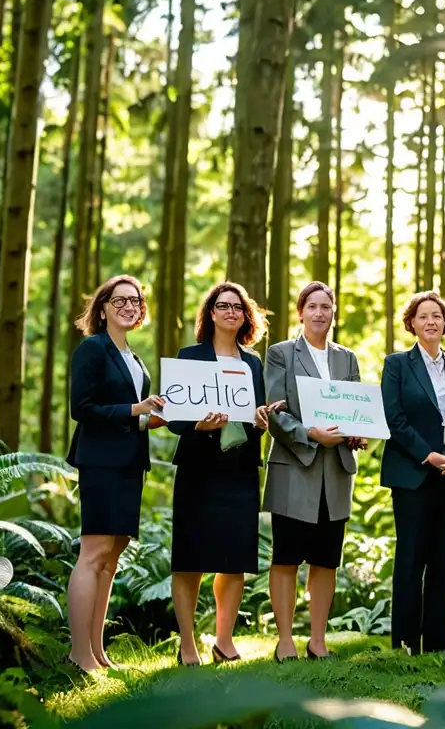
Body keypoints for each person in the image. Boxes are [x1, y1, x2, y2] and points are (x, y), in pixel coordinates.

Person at [66, 274, 167, 673]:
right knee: (93, 555)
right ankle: (77, 654)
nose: (130, 306)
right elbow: (83, 409)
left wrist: (153, 419)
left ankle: (96, 652)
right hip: (100, 463)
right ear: (103, 307)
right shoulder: (92, 349)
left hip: (130, 464)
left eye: (136, 301)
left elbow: (133, 419)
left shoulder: (136, 360)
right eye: (120, 299)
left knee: (112, 558)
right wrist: (134, 410)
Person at [168, 282, 272, 666]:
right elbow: (175, 418)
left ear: (246, 316)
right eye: (223, 306)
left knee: (234, 558)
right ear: (210, 313)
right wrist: (200, 425)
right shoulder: (189, 357)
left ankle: (224, 641)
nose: (231, 312)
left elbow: (254, 416)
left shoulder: (253, 363)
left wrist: (261, 419)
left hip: (240, 469)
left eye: (238, 308)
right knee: (190, 557)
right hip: (198, 467)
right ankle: (188, 644)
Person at [263, 282, 367, 662]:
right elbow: (275, 411)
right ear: (300, 312)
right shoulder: (280, 354)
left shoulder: (347, 359)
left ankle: (318, 640)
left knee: (326, 559)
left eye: (327, 307)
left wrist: (355, 433)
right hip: (294, 467)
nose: (320, 313)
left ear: (333, 312)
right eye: (313, 307)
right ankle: (286, 639)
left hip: (336, 472)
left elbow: (356, 408)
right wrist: (310, 433)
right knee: (287, 557)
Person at [380, 291, 445, 655]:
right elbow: (394, 419)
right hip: (413, 474)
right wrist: (430, 455)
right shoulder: (397, 364)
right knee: (411, 558)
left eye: (437, 316)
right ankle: (406, 641)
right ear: (412, 323)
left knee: (444, 559)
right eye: (423, 316)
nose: (431, 322)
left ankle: (440, 643)